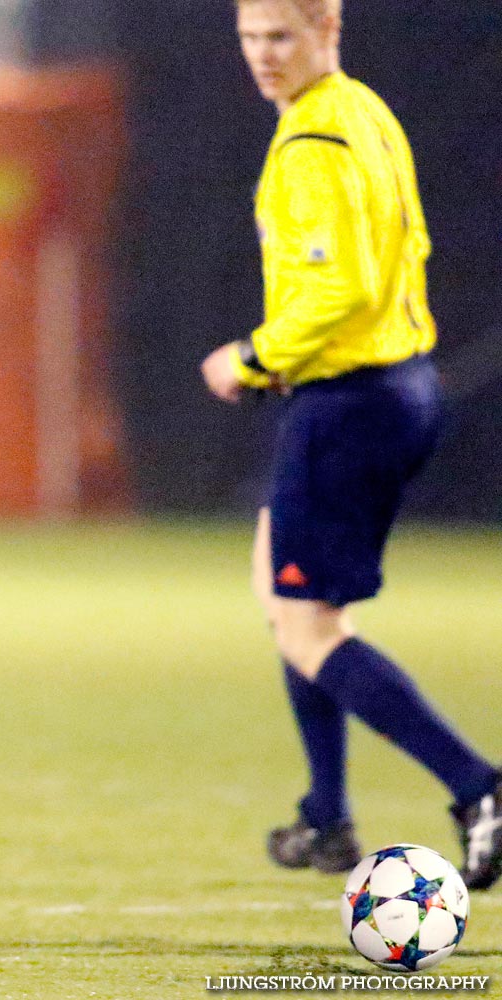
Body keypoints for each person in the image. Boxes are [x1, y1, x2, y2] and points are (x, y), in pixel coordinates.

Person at [202, 0, 502, 887]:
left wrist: (254, 356)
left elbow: (346, 289)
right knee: (284, 595)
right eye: (251, 38)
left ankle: (476, 786)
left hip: (351, 402)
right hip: (393, 385)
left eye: (280, 38)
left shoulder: (314, 142)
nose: (262, 55)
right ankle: (326, 816)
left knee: (305, 626)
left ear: (326, 33)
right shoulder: (357, 109)